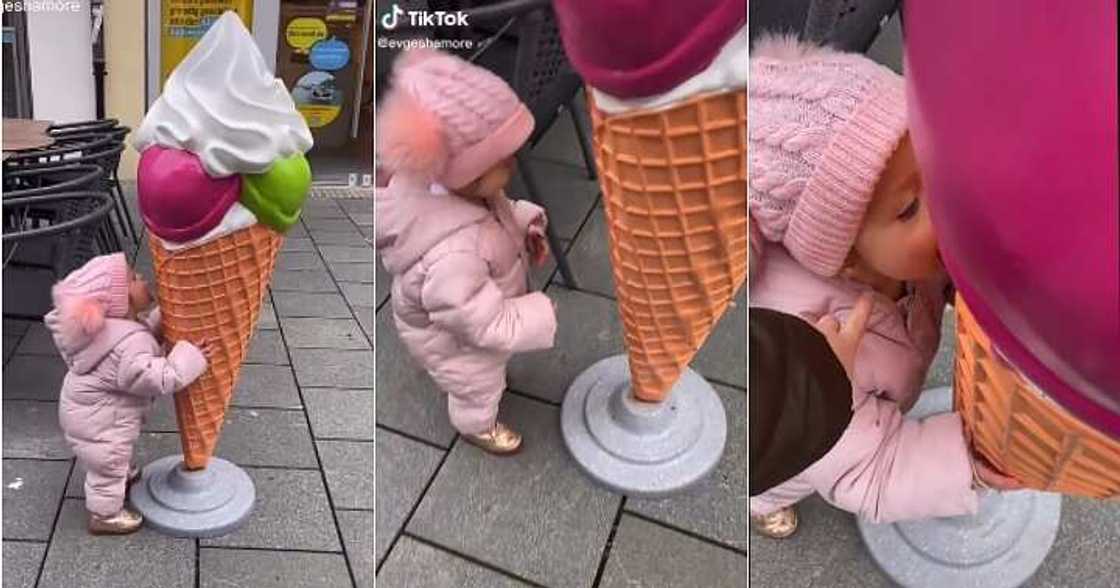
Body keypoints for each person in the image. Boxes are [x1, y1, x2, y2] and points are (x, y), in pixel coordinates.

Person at [747, 35, 1020, 538]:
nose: (944, 207)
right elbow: (873, 470)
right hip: (798, 450)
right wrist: (968, 468)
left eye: (937, 169)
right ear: (845, 257)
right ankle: (760, 509)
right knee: (783, 480)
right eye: (909, 208)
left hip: (883, 387)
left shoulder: (905, 254)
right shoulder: (813, 359)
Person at [375, 49, 557, 455]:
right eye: (502, 160)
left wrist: (524, 221)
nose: (513, 164)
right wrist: (537, 314)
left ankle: (454, 384)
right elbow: (477, 321)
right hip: (458, 335)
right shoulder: (451, 255)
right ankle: (477, 425)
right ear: (465, 176)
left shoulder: (465, 194)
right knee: (477, 381)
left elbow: (498, 216)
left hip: (460, 304)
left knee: (476, 366)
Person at [46, 253, 212, 534]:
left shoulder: (114, 333)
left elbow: (140, 335)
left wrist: (161, 320)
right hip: (102, 424)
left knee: (109, 460)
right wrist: (191, 355)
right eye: (134, 279)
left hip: (90, 415)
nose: (142, 279)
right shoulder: (126, 345)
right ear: (120, 303)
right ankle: (104, 516)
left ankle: (119, 474)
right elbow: (159, 377)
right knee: (108, 466)